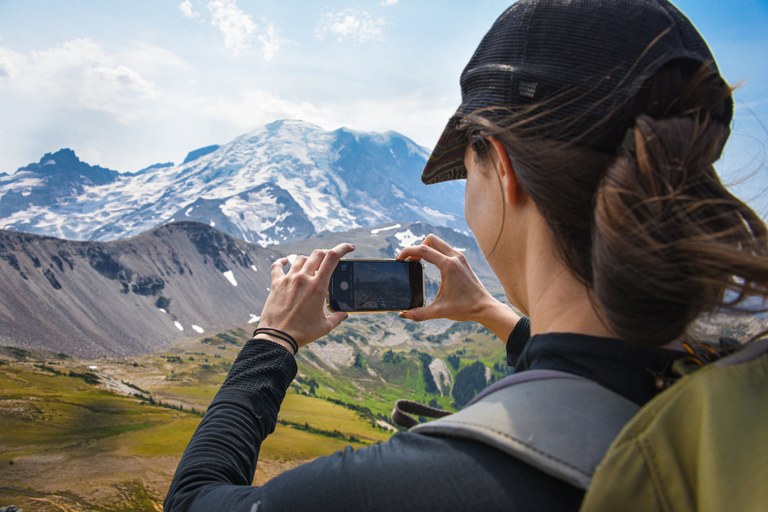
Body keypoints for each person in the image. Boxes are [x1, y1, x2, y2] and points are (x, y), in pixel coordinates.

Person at [164, 1, 768, 510]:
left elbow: (194, 498)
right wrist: (492, 313)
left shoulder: (415, 487)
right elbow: (603, 371)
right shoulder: (729, 391)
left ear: (502, 168)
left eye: (469, 171)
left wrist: (273, 342)